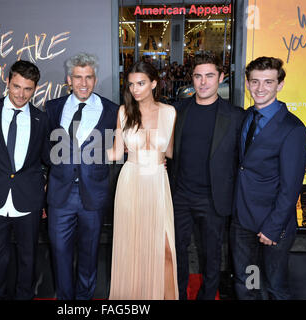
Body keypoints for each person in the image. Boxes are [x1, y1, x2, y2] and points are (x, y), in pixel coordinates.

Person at [231, 56, 306, 300]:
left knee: (275, 285)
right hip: (243, 220)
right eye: (255, 82)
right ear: (247, 83)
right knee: (248, 282)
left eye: (268, 82)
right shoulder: (246, 118)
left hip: (273, 223)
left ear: (280, 85)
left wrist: (273, 227)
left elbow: (291, 186)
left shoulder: (293, 129)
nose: (260, 88)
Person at [169, 52, 245, 300]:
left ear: (221, 77)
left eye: (210, 76)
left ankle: (207, 296)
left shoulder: (235, 116)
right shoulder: (177, 111)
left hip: (213, 199)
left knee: (211, 256)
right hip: (180, 196)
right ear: (191, 78)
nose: (203, 82)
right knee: (177, 253)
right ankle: (178, 295)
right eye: (198, 76)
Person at [45, 53, 118, 300]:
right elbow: (45, 149)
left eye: (88, 77)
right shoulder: (53, 108)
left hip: (93, 195)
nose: (83, 83)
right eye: (78, 77)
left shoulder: (111, 111)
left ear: (95, 79)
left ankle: (84, 301)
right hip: (60, 194)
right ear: (69, 79)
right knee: (60, 253)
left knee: (89, 253)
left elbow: (117, 151)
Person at [107, 61, 178, 300]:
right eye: (131, 84)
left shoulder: (169, 112)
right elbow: (116, 154)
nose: (135, 89)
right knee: (132, 249)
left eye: (141, 83)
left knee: (166, 250)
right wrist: (81, 148)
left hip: (158, 183)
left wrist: (158, 159)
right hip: (130, 182)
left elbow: (169, 152)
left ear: (154, 83)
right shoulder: (123, 112)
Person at [0, 60, 50, 300]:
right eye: (17, 86)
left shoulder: (42, 119)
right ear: (7, 82)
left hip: (28, 198)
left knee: (28, 258)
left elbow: (47, 159)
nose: (21, 94)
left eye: (28, 89)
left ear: (35, 89)